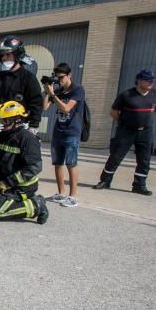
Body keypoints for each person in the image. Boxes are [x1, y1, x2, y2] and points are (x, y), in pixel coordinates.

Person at [0, 101, 49, 224]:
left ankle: (36, 205)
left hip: (21, 186)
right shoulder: (2, 135)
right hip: (2, 183)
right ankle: (16, 202)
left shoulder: (27, 139)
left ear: (17, 120)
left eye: (5, 121)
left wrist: (8, 182)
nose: (2, 124)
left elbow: (34, 167)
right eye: (1, 121)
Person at [94, 69, 156, 195]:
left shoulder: (155, 95)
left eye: (152, 80)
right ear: (139, 80)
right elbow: (113, 112)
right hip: (126, 131)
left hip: (146, 132)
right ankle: (105, 181)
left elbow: (155, 110)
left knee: (144, 159)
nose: (151, 83)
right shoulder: (126, 95)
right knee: (116, 156)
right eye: (147, 80)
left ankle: (139, 185)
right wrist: (126, 122)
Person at [0, 35, 42, 160]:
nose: (4, 58)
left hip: (16, 130)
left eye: (8, 54)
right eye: (2, 56)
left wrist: (33, 126)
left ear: (17, 55)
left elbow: (36, 103)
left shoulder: (28, 78)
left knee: (13, 163)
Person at [41, 63, 85, 207]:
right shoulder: (58, 91)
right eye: (57, 78)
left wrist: (53, 94)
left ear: (69, 75)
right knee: (57, 163)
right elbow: (45, 107)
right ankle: (61, 192)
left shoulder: (77, 90)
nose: (59, 80)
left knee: (71, 163)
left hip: (72, 131)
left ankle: (72, 196)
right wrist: (48, 92)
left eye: (61, 77)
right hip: (58, 131)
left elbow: (66, 109)